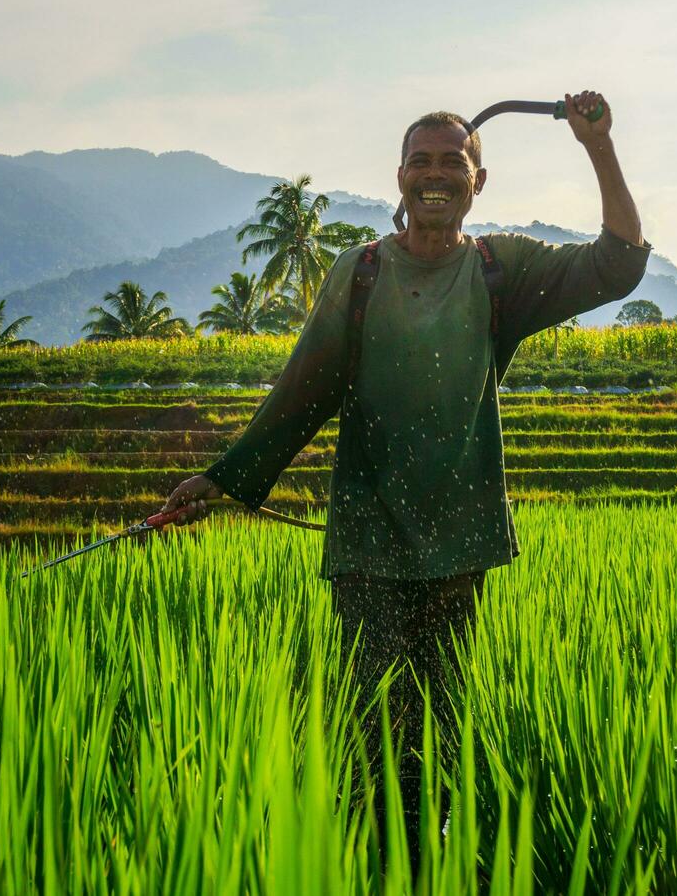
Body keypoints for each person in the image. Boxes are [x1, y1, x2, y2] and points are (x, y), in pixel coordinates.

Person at [162, 90, 650, 874]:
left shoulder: (501, 270)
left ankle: (432, 871)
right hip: (368, 549)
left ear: (477, 183)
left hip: (460, 553)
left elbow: (619, 263)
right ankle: (381, 870)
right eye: (420, 161)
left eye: (452, 162)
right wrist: (221, 479)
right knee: (374, 744)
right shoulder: (357, 275)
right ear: (397, 177)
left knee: (443, 739)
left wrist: (598, 147)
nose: (435, 174)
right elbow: (301, 394)